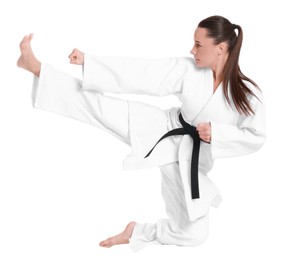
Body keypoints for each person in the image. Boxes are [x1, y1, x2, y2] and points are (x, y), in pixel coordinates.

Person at [17, 15, 266, 252]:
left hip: (190, 161)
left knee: (195, 235)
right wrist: (90, 62)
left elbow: (256, 136)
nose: (192, 50)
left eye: (198, 44)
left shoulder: (247, 96)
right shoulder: (188, 70)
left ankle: (136, 232)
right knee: (100, 108)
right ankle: (36, 68)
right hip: (162, 129)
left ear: (220, 48)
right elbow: (142, 73)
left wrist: (218, 134)